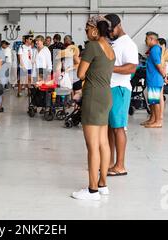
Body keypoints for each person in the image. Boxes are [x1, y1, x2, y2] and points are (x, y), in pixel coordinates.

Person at [72, 16, 115, 201]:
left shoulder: (92, 46)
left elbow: (80, 73)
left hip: (93, 97)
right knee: (103, 143)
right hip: (106, 96)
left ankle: (92, 190)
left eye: (87, 29)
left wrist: (80, 63)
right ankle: (103, 184)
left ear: (95, 29)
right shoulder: (110, 48)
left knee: (92, 146)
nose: (86, 32)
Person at [104, 14, 138, 177]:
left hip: (120, 89)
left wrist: (109, 68)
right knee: (111, 127)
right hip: (110, 88)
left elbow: (131, 67)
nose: (109, 34)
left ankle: (120, 165)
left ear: (119, 26)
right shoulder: (114, 43)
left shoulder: (128, 44)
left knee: (118, 127)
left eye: (110, 30)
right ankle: (110, 162)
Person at [141, 32, 167, 129]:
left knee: (155, 102)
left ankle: (158, 121)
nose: (145, 41)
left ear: (152, 39)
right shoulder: (153, 49)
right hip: (152, 79)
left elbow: (159, 66)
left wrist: (165, 76)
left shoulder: (155, 50)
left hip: (155, 80)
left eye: (146, 39)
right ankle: (152, 119)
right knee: (152, 101)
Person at [158, 38, 168, 125]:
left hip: (161, 75)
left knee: (160, 96)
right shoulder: (165, 52)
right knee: (160, 95)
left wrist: (165, 77)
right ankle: (160, 114)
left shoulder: (163, 52)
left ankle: (160, 115)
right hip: (162, 74)